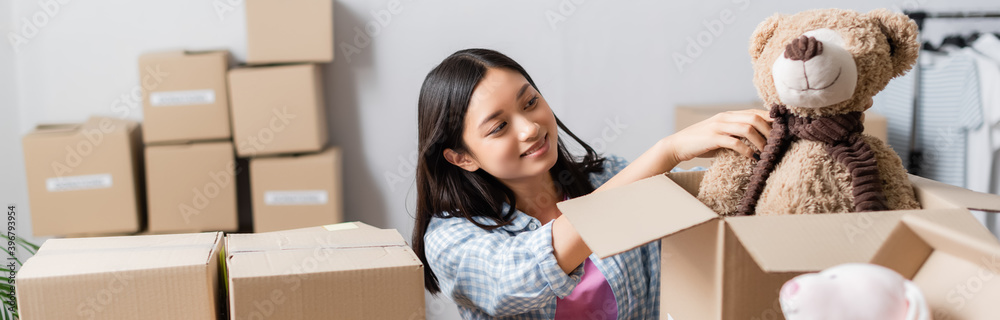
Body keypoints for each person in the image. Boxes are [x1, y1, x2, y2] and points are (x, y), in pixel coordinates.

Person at [412, 48, 772, 319]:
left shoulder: (608, 176)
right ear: (462, 157)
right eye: (499, 127)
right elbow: (521, 276)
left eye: (531, 102)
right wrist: (669, 150)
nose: (530, 128)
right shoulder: (451, 238)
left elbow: (712, 202)